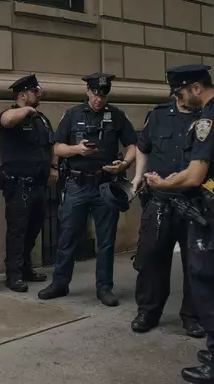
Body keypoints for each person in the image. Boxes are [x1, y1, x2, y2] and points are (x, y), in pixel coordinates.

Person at [144, 65, 214, 383]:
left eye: (180, 93)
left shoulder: (209, 118)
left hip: (212, 215)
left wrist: (161, 184)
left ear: (194, 88)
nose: (180, 101)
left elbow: (194, 175)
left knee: (208, 284)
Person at [38, 72, 137, 307]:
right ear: (87, 92)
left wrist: (125, 163)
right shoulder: (72, 115)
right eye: (95, 94)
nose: (99, 99)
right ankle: (60, 283)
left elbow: (133, 144)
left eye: (103, 95)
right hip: (77, 184)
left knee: (106, 240)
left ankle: (104, 287)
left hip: (105, 186)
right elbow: (58, 148)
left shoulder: (116, 116)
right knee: (67, 236)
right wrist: (77, 150)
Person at [129, 67, 207, 338]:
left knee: (195, 263)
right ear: (177, 93)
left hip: (194, 203)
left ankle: (193, 317)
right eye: (185, 93)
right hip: (159, 201)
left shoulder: (207, 116)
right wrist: (138, 175)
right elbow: (142, 146)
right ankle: (148, 311)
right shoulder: (159, 115)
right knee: (151, 258)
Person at [0, 74, 57, 292]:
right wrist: (26, 110)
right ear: (22, 95)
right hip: (18, 185)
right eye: (35, 92)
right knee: (17, 230)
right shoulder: (11, 114)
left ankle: (25, 267)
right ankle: (13, 274)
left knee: (34, 228)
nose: (38, 95)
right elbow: (7, 120)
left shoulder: (41, 119)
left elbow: (52, 145)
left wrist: (53, 167)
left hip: (39, 184)